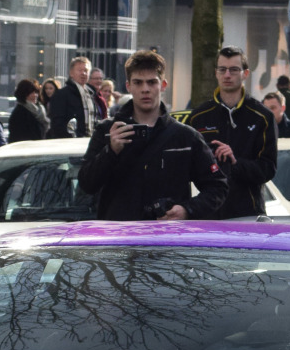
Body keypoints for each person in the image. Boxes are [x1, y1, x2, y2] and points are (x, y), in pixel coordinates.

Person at [79, 49, 226, 221]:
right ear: (128, 86)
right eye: (138, 83)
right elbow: (86, 184)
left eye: (152, 82)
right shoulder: (107, 131)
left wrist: (187, 210)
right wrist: (110, 151)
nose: (145, 89)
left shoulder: (185, 136)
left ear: (163, 85)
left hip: (168, 239)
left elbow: (218, 187)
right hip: (118, 238)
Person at [185, 46, 276, 219]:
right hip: (208, 214)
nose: (227, 75)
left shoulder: (263, 116)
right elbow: (187, 168)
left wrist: (235, 164)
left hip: (248, 214)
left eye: (234, 70)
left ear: (245, 74)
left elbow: (268, 169)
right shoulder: (198, 116)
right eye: (222, 69)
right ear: (216, 73)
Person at [48, 56, 100, 138]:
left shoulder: (91, 94)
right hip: (70, 143)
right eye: (79, 70)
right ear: (71, 73)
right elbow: (57, 124)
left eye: (86, 70)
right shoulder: (61, 95)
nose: (83, 73)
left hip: (89, 141)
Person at [8, 78, 49, 142]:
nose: (35, 95)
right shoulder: (19, 113)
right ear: (23, 94)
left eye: (36, 92)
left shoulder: (39, 110)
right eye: (31, 93)